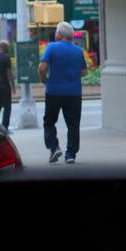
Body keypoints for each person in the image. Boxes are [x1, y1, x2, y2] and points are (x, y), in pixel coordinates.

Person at [38, 21, 87, 163]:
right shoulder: (78, 50)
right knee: (73, 125)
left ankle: (54, 148)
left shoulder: (52, 47)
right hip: (74, 93)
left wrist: (44, 80)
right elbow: (83, 72)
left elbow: (42, 68)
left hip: (54, 92)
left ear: (59, 34)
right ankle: (70, 154)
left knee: (49, 122)